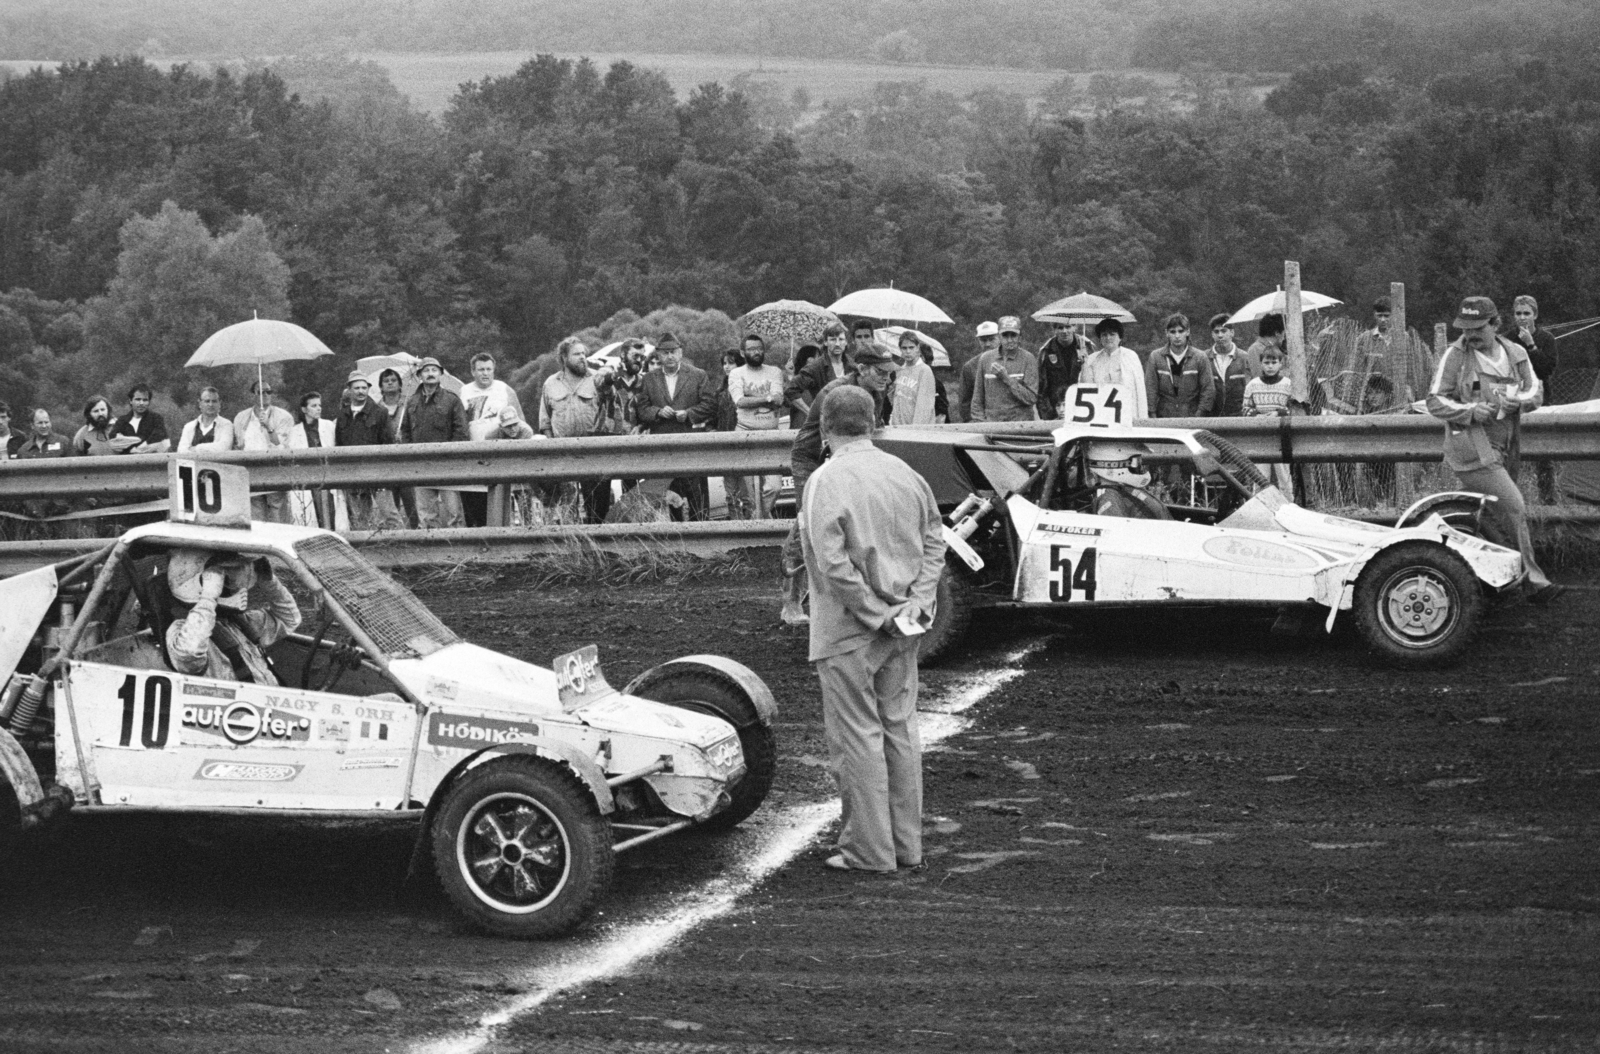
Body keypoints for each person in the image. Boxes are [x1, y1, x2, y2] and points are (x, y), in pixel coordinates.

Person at [800, 384, 945, 874]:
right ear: (874, 422)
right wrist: (916, 605)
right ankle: (906, 847)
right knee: (900, 730)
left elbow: (831, 562)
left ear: (825, 427)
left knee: (858, 737)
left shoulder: (824, 480)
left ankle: (869, 850)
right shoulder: (906, 473)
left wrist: (872, 612)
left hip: (849, 631)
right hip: (903, 626)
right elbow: (934, 541)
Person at [1426, 296, 1560, 604]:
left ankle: (1468, 578)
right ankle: (1534, 583)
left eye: (1477, 328)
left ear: (1495, 324)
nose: (1470, 335)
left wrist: (1521, 402)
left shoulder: (1514, 352)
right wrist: (1471, 410)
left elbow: (1535, 389)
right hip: (1472, 448)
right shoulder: (1455, 355)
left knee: (1483, 517)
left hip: (1507, 445)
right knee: (1514, 508)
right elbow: (1435, 400)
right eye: (1465, 328)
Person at [781, 344, 897, 625]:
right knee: (805, 525)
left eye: (889, 373)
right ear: (862, 369)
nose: (886, 378)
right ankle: (791, 602)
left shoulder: (876, 393)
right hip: (812, 458)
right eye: (881, 372)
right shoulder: (835, 392)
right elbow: (826, 438)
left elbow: (873, 430)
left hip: (845, 454)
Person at [164, 550, 301, 684]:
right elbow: (189, 655)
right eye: (226, 581)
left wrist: (269, 582)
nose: (239, 589)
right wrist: (208, 598)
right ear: (203, 585)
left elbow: (289, 620)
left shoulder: (238, 623)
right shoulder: (182, 630)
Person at [636, 331, 718, 519]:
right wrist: (657, 412)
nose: (670, 356)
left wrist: (689, 414)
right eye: (665, 353)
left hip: (692, 443)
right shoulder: (649, 379)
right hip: (662, 446)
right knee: (669, 496)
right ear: (658, 355)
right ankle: (674, 537)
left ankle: (703, 534)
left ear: (680, 352)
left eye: (673, 351)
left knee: (697, 495)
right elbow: (641, 410)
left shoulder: (698, 375)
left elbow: (710, 405)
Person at [539, 336, 618, 524]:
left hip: (594, 450)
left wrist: (609, 380)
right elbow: (545, 421)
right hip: (564, 451)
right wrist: (553, 447)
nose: (583, 357)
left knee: (597, 506)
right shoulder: (551, 383)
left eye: (584, 353)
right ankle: (571, 545)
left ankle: (598, 544)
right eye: (577, 354)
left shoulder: (597, 378)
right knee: (567, 506)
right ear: (564, 358)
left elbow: (613, 406)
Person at [459, 352, 526, 527]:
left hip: (500, 455)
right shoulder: (464, 392)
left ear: (494, 370)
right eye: (481, 369)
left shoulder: (504, 389)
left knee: (501, 503)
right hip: (474, 456)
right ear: (473, 371)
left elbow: (520, 422)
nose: (485, 373)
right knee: (476, 506)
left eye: (489, 369)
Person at [402, 356, 469, 529]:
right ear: (419, 375)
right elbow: (405, 432)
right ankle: (431, 551)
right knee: (426, 515)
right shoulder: (411, 402)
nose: (430, 374)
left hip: (447, 464)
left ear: (440, 374)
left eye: (434, 370)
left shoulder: (452, 400)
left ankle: (458, 549)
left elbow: (461, 431)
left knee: (454, 513)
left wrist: (450, 456)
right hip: (421, 464)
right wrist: (410, 455)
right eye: (426, 370)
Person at [1506, 295, 1561, 503]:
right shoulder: (1506, 339)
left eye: (1526, 313)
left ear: (1535, 315)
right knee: (1510, 453)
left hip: (1541, 401)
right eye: (1518, 313)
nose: (1522, 318)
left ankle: (1548, 501)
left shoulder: (1546, 339)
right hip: (1513, 401)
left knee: (1543, 455)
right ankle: (1511, 500)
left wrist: (1531, 346)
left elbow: (1546, 370)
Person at [727, 333, 787, 518]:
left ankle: (758, 520)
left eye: (759, 348)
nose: (757, 352)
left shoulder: (775, 372)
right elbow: (739, 401)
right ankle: (759, 530)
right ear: (743, 353)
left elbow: (778, 400)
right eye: (752, 349)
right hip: (746, 434)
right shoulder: (736, 373)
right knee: (750, 493)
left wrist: (754, 398)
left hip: (771, 435)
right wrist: (766, 398)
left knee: (774, 487)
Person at [233, 380, 296, 524]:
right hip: (251, 470)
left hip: (274, 469)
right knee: (256, 514)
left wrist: (269, 426)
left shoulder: (284, 417)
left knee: (277, 512)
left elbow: (282, 445)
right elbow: (238, 446)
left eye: (268, 391)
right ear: (253, 395)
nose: (265, 395)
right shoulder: (241, 418)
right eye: (260, 392)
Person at [333, 371, 391, 530]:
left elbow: (388, 443)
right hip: (352, 472)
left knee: (389, 513)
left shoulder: (380, 413)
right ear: (349, 390)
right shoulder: (342, 415)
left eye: (364, 388)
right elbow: (339, 445)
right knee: (358, 517)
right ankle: (365, 548)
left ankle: (402, 547)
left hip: (376, 471)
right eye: (357, 388)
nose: (361, 391)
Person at [1242, 345, 1296, 496]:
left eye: (1274, 362)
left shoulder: (1288, 384)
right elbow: (1245, 408)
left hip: (1282, 436)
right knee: (1260, 477)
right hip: (1261, 436)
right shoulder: (1252, 385)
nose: (1270, 366)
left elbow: (1293, 408)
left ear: (1281, 364)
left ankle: (1288, 507)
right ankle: (1260, 510)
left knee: (1284, 477)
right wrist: (1256, 416)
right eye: (1266, 363)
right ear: (1261, 364)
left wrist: (1277, 413)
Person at [969, 316, 1040, 422]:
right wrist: (981, 423)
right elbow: (977, 398)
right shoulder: (986, 358)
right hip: (993, 424)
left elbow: (1031, 398)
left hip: (1021, 424)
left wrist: (1007, 378)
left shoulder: (1028, 358)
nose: (1009, 340)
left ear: (1020, 337)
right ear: (999, 336)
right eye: (1005, 335)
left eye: (1013, 335)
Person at [1145, 313, 1215, 418]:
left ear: (1188, 332)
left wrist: (1199, 415)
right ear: (1166, 333)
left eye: (1181, 331)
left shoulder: (1200, 357)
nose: (1177, 336)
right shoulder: (1156, 357)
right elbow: (1150, 389)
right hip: (1164, 417)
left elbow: (1208, 389)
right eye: (1172, 332)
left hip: (1192, 415)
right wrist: (1152, 414)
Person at [1078, 317, 1148, 421]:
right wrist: (1084, 364)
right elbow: (1086, 388)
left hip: (1127, 411)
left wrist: (1142, 417)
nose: (1108, 338)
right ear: (1100, 338)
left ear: (1120, 337)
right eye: (1104, 335)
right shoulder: (1092, 359)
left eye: (1112, 334)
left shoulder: (1131, 356)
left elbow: (1140, 390)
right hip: (1101, 412)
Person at [287, 391, 337, 529]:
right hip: (308, 477)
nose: (319, 408)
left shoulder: (328, 426)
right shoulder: (295, 431)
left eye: (319, 405)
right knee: (311, 513)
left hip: (328, 475)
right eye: (314, 406)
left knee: (331, 513)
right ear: (304, 409)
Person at [376, 368, 417, 528]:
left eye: (393, 380)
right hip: (385, 462)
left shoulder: (409, 403)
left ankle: (416, 533)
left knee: (411, 503)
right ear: (381, 386)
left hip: (406, 461)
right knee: (390, 505)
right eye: (386, 381)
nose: (390, 383)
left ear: (400, 384)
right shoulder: (377, 408)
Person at [714, 348, 749, 519]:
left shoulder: (746, 387)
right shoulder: (720, 392)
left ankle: (752, 528)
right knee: (730, 494)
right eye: (724, 363)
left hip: (744, 443)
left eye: (731, 362)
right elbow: (714, 418)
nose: (727, 367)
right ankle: (736, 525)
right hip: (726, 444)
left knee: (748, 493)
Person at [1037, 321, 1089, 418]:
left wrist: (1086, 361)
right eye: (1060, 328)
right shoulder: (1045, 351)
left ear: (1075, 327)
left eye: (1068, 327)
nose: (1064, 331)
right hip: (1055, 411)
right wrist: (1047, 415)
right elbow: (1041, 387)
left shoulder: (1087, 347)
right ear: (1054, 330)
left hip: (1082, 408)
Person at [887, 332, 937, 425]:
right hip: (898, 427)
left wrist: (915, 431)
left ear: (918, 348)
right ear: (900, 349)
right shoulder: (900, 370)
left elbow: (924, 407)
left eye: (911, 347)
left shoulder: (925, 370)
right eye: (904, 348)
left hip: (915, 429)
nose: (908, 351)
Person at [110, 384, 170, 454]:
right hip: (127, 462)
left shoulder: (156, 418)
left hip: (151, 462)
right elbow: (113, 438)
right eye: (138, 399)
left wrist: (137, 445)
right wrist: (133, 447)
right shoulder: (122, 420)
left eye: (145, 400)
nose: (141, 403)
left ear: (149, 402)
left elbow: (159, 436)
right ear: (130, 401)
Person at [957, 322, 998, 423]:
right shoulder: (970, 367)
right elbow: (964, 401)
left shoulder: (1012, 362)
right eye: (983, 340)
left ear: (1000, 338)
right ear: (978, 341)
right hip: (979, 421)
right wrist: (971, 421)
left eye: (991, 339)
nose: (987, 344)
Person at [177, 387, 235, 452]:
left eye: (214, 401)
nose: (210, 404)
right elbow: (181, 450)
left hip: (217, 462)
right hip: (191, 462)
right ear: (200, 403)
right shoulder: (189, 426)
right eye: (207, 401)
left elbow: (223, 448)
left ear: (219, 403)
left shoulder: (226, 424)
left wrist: (196, 448)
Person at [786, 343, 822, 428]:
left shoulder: (819, 380)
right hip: (800, 429)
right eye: (819, 357)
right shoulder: (798, 384)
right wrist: (790, 377)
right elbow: (787, 402)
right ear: (810, 360)